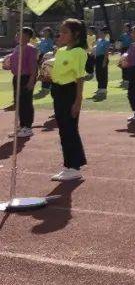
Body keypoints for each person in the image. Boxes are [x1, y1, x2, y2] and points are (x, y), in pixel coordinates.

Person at [46, 19, 89, 182]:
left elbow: (80, 77)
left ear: (76, 34)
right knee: (63, 129)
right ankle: (69, 165)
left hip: (69, 92)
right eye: (60, 31)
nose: (61, 35)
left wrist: (78, 101)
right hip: (57, 90)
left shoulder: (79, 52)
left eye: (65, 32)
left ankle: (74, 167)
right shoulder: (61, 50)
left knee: (70, 128)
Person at [8, 26, 38, 139]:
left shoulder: (31, 49)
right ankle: (22, 125)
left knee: (26, 102)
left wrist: (31, 81)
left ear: (26, 36)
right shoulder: (17, 48)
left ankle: (28, 127)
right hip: (17, 77)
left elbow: (33, 67)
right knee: (18, 102)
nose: (17, 36)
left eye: (20, 34)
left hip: (26, 77)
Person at [93, 27, 111, 95]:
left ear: (104, 34)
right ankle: (100, 88)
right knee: (98, 73)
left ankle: (104, 88)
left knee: (103, 73)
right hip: (97, 58)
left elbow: (106, 52)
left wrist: (104, 61)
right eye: (99, 33)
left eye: (101, 33)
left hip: (103, 58)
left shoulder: (106, 41)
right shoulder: (98, 40)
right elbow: (96, 49)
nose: (99, 34)